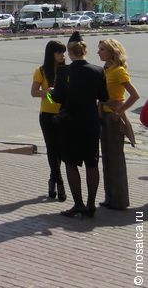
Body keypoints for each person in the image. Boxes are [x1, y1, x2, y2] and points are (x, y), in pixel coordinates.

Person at [51, 32, 109, 218]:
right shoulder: (98, 71)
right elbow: (104, 97)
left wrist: (51, 92)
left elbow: (57, 97)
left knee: (70, 163)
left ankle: (78, 204)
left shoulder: (63, 72)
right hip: (90, 123)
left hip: (69, 123)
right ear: (85, 51)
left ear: (69, 53)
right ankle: (91, 205)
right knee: (92, 164)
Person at [96, 38, 140, 210]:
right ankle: (110, 198)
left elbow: (134, 96)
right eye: (99, 49)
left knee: (116, 159)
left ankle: (120, 200)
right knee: (106, 158)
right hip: (103, 115)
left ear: (111, 52)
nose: (98, 52)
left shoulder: (119, 71)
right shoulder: (105, 70)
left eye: (102, 49)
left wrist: (119, 112)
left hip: (113, 118)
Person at [30, 40, 67, 202]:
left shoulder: (66, 70)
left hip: (64, 114)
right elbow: (33, 92)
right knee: (52, 148)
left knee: (61, 149)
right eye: (59, 52)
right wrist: (47, 91)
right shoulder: (41, 71)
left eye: (63, 52)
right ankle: (59, 182)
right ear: (51, 54)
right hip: (47, 115)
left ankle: (53, 179)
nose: (62, 55)